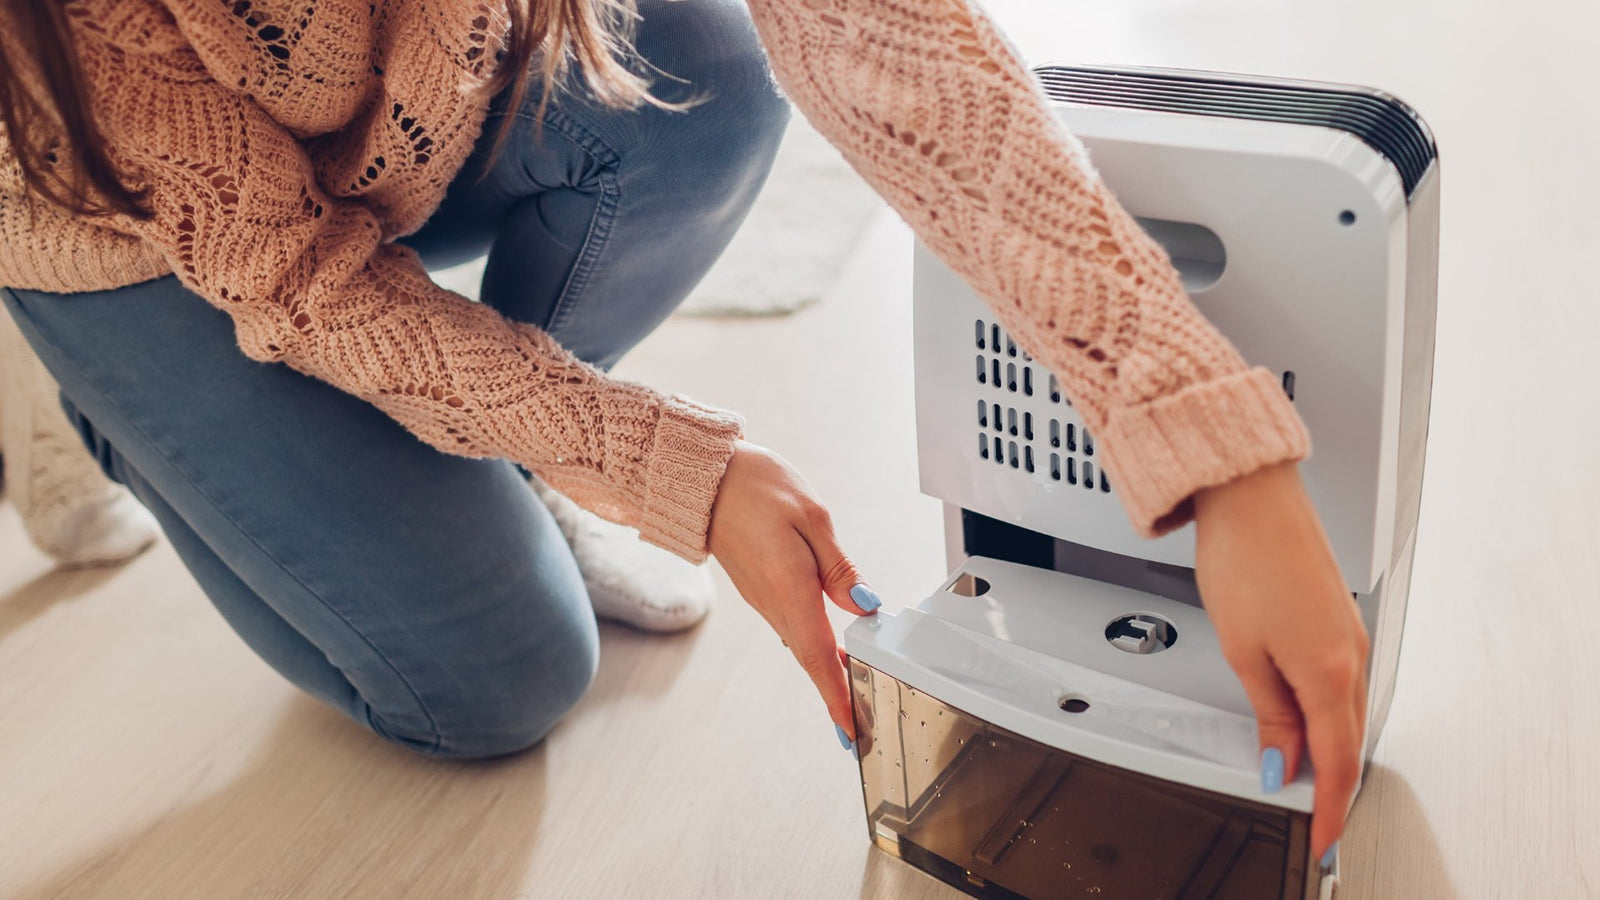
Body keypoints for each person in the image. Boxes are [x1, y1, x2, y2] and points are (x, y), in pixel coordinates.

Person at [0, 0, 1367, 865]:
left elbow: (876, 33)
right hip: (124, 208)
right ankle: (113, 408)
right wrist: (673, 471)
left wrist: (1198, 432)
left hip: (404, 110)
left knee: (704, 69)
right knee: (499, 684)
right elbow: (303, 284)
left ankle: (502, 445)